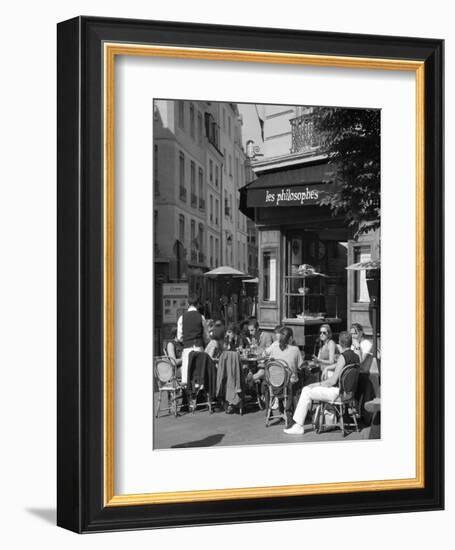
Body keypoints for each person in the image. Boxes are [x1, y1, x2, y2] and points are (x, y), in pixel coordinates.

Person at [284, 331, 360, 435]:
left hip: (339, 394)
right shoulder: (356, 357)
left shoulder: (343, 357)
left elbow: (332, 381)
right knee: (309, 389)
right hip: (350, 394)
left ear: (340, 343)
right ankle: (302, 422)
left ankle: (298, 426)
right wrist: (329, 368)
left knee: (306, 390)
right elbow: (343, 368)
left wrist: (316, 384)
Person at [177, 294, 210, 385]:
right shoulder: (201, 317)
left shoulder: (182, 318)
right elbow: (206, 337)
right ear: (197, 304)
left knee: (187, 372)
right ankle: (199, 390)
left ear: (188, 303)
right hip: (199, 347)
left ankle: (187, 391)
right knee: (199, 371)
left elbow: (179, 337)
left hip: (187, 348)